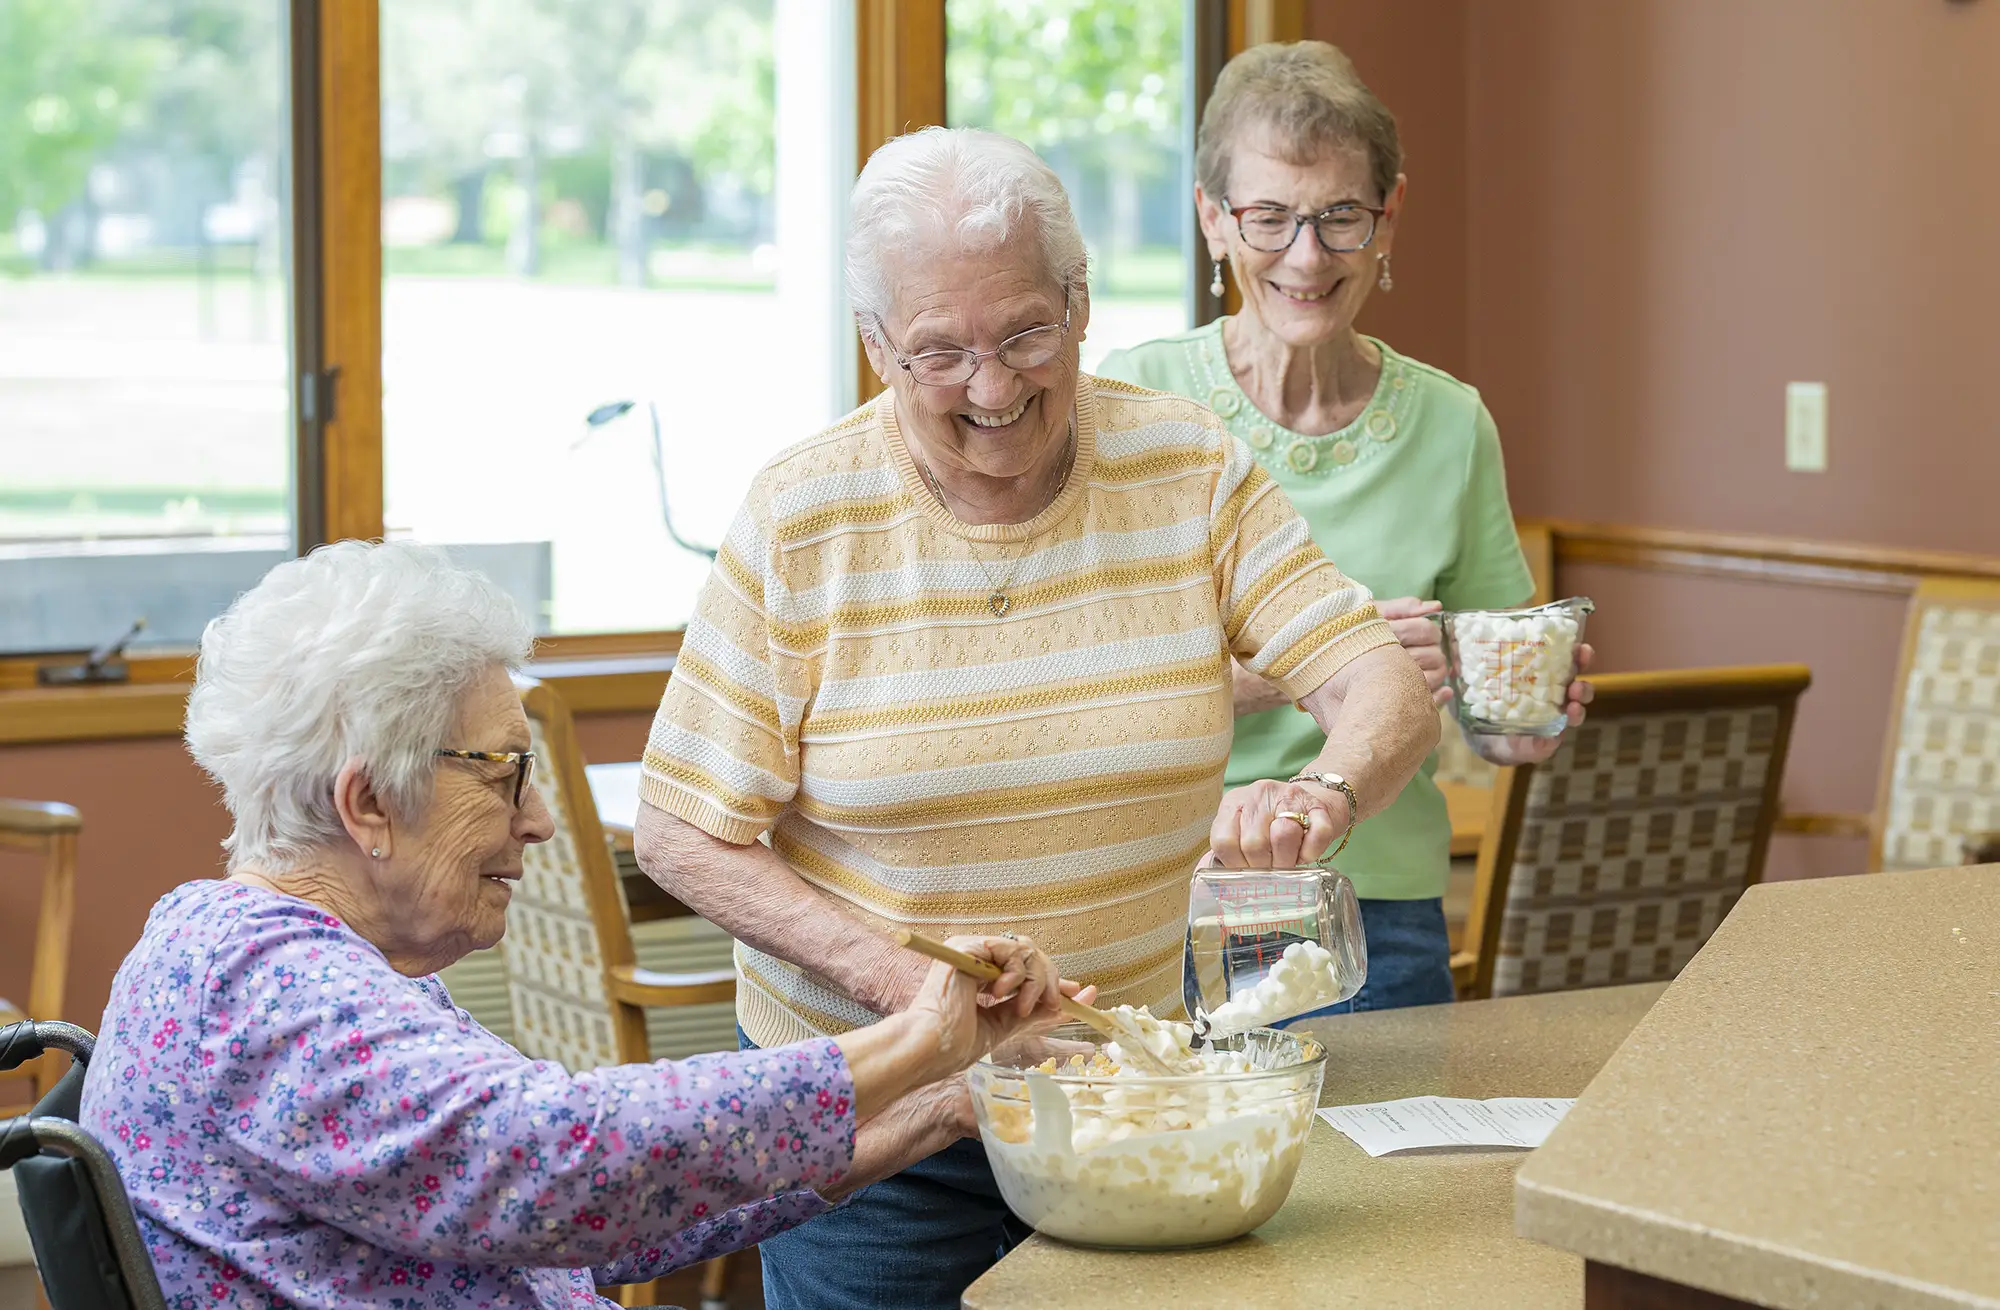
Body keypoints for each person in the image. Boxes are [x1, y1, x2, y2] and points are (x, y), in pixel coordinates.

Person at [632, 126, 1440, 1310]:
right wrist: (910, 989)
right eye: (938, 353)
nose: (995, 387)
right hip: (885, 1126)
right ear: (873, 348)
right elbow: (678, 829)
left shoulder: (1187, 466)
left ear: (1079, 300)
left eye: (1024, 333)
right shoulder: (801, 517)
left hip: (1122, 1102)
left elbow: (1379, 681)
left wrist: (1322, 789)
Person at [79, 540, 1073, 1310]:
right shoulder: (263, 990)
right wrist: (916, 1036)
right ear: (369, 799)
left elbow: (592, 1217)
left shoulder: (262, 960)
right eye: (503, 772)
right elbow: (559, 1157)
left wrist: (937, 1105)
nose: (540, 818)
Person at [1098, 41, 1591, 1017]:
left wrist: (1514, 716)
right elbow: (1085, 688)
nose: (1305, 256)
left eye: (1338, 217)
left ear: (1387, 218)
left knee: (1389, 1174)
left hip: (1383, 909)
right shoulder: (1135, 400)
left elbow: (1493, 702)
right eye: (1269, 218)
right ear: (1212, 219)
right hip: (1165, 901)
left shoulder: (1453, 425)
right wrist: (1338, 662)